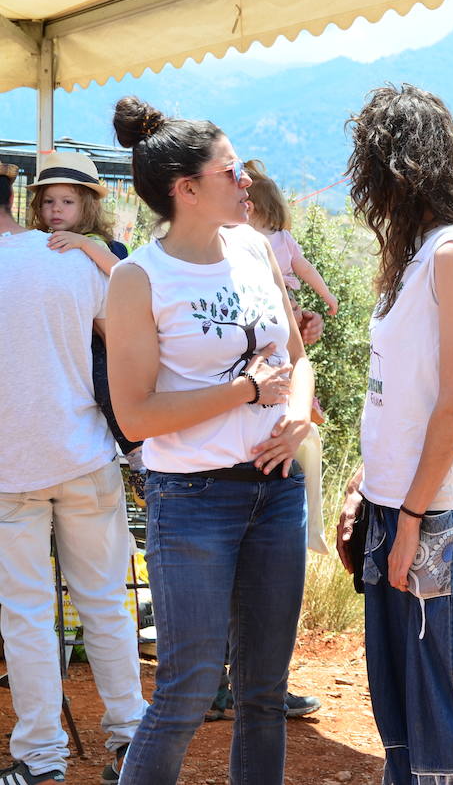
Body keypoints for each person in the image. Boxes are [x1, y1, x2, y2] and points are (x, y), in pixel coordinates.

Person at [105, 96, 314, 784]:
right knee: (187, 691)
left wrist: (298, 415)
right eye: (230, 172)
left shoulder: (256, 247)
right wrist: (245, 394)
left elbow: (297, 356)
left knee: (263, 694)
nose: (247, 180)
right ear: (186, 188)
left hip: (276, 495)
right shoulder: (138, 277)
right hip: (191, 500)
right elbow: (134, 416)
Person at [334, 84, 453, 783]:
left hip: (441, 514)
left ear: (393, 168)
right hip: (402, 508)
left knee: (452, 732)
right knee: (409, 726)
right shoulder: (418, 257)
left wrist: (407, 519)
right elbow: (399, 394)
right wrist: (363, 482)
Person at [0, 166, 146, 785]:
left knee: (27, 615)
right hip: (85, 455)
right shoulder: (76, 258)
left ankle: (40, 759)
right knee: (106, 604)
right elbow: (128, 349)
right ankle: (133, 745)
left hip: (10, 467)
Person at [26, 152, 139, 459]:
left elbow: (121, 273)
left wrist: (85, 244)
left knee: (105, 385)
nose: (56, 209)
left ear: (87, 205)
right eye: (48, 202)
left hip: (101, 339)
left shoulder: (100, 243)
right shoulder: (40, 242)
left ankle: (137, 451)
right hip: (63, 334)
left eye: (67, 201)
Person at [244, 160, 339, 315]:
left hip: (255, 298)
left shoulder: (244, 238)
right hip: (285, 297)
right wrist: (326, 294)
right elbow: (306, 269)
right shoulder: (285, 239)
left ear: (248, 207)